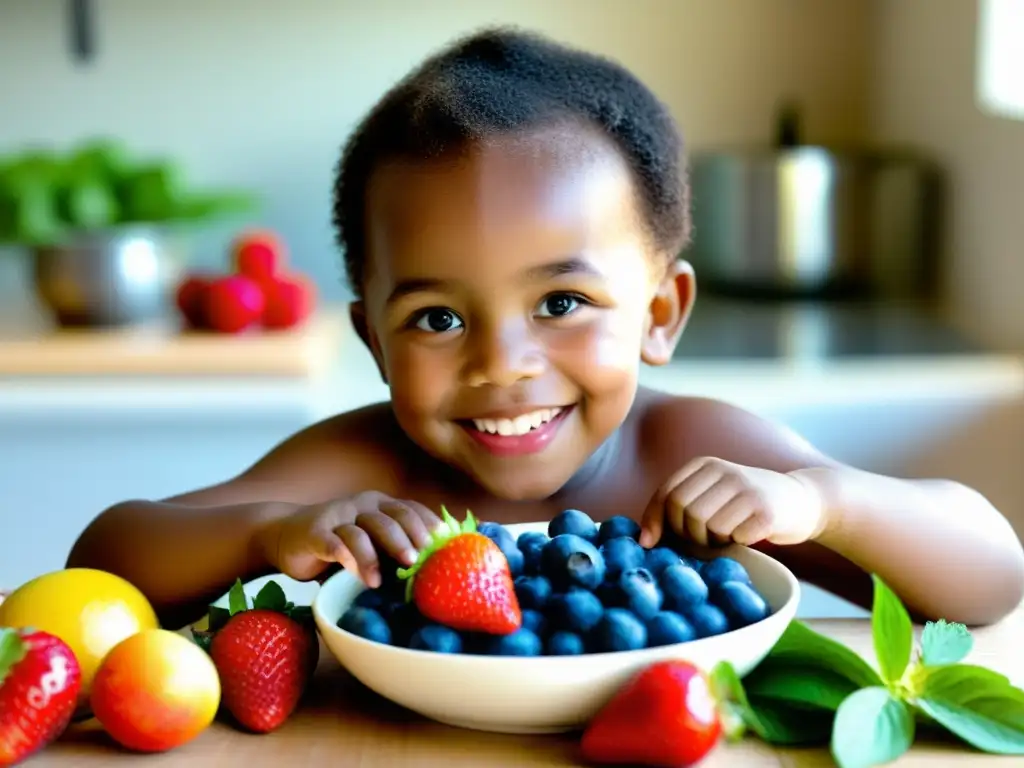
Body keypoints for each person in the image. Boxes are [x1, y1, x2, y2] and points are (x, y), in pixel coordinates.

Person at [68, 28, 1024, 631]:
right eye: (437, 318)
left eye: (560, 304)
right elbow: (105, 560)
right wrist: (268, 533)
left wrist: (824, 505)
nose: (500, 366)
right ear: (373, 341)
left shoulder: (692, 455)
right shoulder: (366, 475)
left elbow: (991, 580)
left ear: (660, 315)